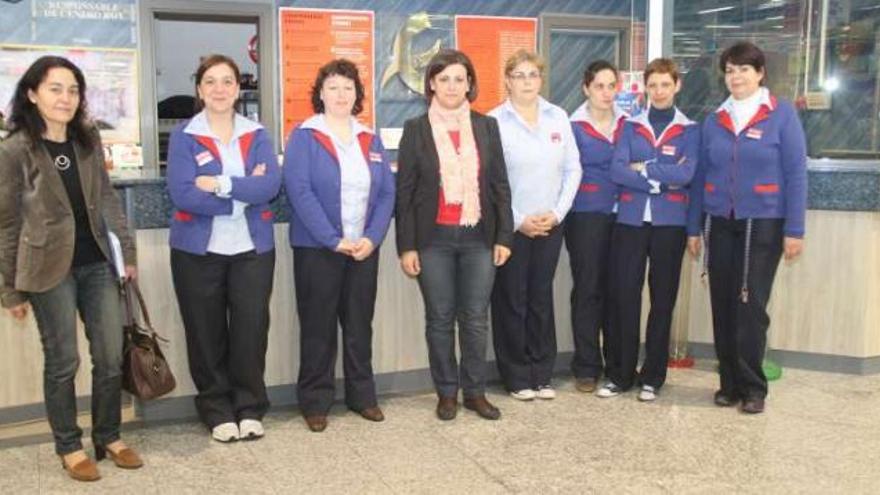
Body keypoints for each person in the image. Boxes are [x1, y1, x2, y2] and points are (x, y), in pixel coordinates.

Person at [0, 56, 142, 481]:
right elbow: (6, 222)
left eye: (73, 89)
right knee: (63, 361)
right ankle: (68, 445)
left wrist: (127, 254)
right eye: (55, 88)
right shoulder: (14, 149)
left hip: (97, 262)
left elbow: (109, 200)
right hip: (47, 270)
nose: (65, 98)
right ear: (32, 93)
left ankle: (108, 436)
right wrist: (10, 289)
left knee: (111, 358)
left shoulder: (87, 139)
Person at [687, 42, 807, 414]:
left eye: (743, 69)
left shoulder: (781, 115)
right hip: (719, 222)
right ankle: (729, 385)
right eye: (730, 70)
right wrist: (694, 227)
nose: (736, 76)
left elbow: (796, 173)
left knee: (750, 305)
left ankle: (753, 388)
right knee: (722, 303)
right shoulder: (714, 119)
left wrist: (795, 229)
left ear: (760, 74)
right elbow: (701, 175)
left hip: (764, 223)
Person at [166, 54, 281, 442]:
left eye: (227, 81)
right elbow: (182, 193)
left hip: (252, 249)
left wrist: (218, 184)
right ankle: (217, 410)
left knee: (251, 330)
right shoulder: (184, 135)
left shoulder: (257, 133)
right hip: (197, 251)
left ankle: (250, 407)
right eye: (211, 81)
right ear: (199, 89)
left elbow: (268, 187)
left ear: (238, 88)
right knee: (205, 331)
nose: (219, 89)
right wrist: (242, 190)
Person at [396, 48, 513, 421]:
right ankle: (447, 392)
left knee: (476, 318)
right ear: (431, 83)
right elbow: (406, 193)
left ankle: (475, 393)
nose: (451, 86)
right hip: (434, 241)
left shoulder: (486, 127)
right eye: (443, 78)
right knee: (440, 319)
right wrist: (407, 246)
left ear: (469, 84)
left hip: (480, 237)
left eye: (459, 79)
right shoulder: (416, 130)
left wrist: (504, 237)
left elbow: (499, 186)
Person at [283, 59, 395, 432]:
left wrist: (371, 238)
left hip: (363, 248)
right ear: (320, 94)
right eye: (333, 87)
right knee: (318, 326)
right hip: (318, 249)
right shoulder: (304, 135)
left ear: (357, 95)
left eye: (348, 87)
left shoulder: (369, 137)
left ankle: (363, 397)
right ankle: (315, 401)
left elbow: (386, 195)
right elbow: (300, 192)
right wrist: (333, 240)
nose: (341, 94)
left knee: (360, 325)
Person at [599, 58, 699, 402]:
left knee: (662, 300)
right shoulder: (630, 125)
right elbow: (616, 169)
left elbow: (686, 175)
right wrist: (660, 179)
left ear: (676, 86)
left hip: (669, 225)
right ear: (645, 87)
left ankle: (652, 377)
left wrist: (643, 168)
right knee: (624, 296)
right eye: (652, 85)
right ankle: (620, 375)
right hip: (630, 222)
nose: (658, 91)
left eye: (665, 85)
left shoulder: (690, 130)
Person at [489, 50, 581, 401]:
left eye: (533, 75)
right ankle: (516, 376)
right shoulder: (494, 122)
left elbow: (573, 170)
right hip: (511, 227)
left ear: (541, 80)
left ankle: (542, 373)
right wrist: (517, 220)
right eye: (519, 75)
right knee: (512, 299)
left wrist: (557, 214)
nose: (527, 81)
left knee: (540, 298)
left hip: (550, 224)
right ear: (508, 81)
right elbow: (492, 182)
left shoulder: (558, 117)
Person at [566, 60, 628, 393]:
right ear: (586, 88)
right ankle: (587, 366)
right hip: (585, 215)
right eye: (599, 86)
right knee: (588, 289)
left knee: (618, 291)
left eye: (611, 86)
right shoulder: (572, 126)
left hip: (624, 216)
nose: (606, 93)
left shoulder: (628, 124)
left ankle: (617, 363)